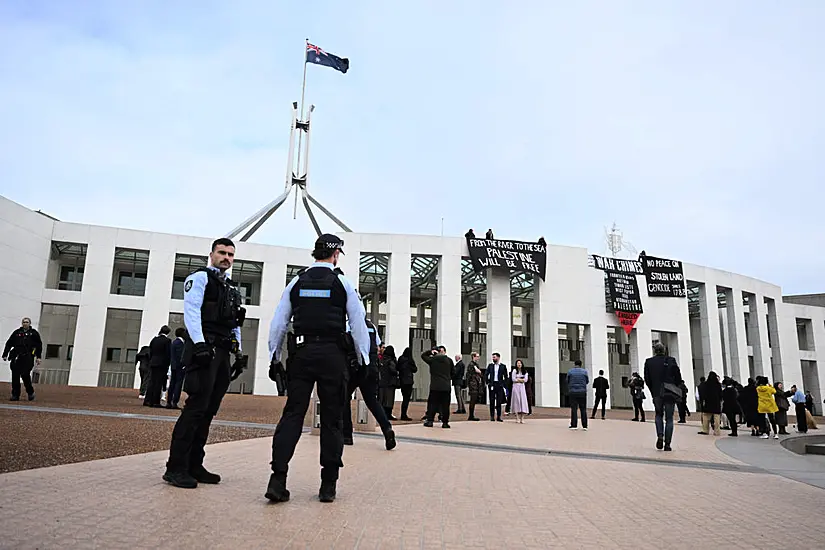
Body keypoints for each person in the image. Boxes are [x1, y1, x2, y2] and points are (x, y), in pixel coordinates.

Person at [266, 234, 369, 504]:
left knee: (292, 414)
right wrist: (364, 358)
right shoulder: (342, 283)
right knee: (333, 418)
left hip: (302, 355)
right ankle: (328, 485)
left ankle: (277, 479)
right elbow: (358, 324)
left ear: (315, 254)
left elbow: (278, 322)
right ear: (336, 255)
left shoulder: (296, 282)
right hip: (332, 356)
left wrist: (274, 356)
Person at [163, 237, 246, 489]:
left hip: (221, 352)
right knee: (195, 408)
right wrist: (199, 344)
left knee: (209, 410)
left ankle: (194, 464)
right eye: (222, 253)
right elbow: (192, 311)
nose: (227, 258)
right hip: (204, 349)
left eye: (231, 254)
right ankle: (175, 468)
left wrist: (238, 352)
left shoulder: (230, 287)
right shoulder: (199, 278)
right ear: (211, 254)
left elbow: (234, 322)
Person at [341, 316, 396, 449]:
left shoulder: (350, 324)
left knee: (344, 398)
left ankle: (347, 435)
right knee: (372, 400)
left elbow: (345, 344)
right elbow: (377, 345)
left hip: (354, 366)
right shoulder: (372, 326)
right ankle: (387, 428)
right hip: (371, 366)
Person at [643, 342, 683, 452]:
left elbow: (647, 379)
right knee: (669, 418)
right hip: (669, 392)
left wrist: (653, 390)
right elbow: (678, 377)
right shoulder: (671, 360)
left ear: (655, 350)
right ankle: (668, 444)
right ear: (664, 350)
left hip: (656, 393)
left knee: (658, 414)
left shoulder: (649, 362)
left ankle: (660, 435)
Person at [2, 317, 42, 401]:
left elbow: (39, 346)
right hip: (16, 357)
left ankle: (30, 392)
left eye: (27, 322)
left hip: (28, 358)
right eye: (23, 322)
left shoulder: (34, 334)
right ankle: (15, 395)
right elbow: (9, 344)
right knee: (15, 376)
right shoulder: (17, 333)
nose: (25, 323)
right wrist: (5, 354)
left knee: (25, 375)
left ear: (30, 323)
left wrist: (38, 357)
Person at [421, 346, 453, 428]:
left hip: (435, 386)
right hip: (446, 386)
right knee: (446, 405)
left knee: (433, 404)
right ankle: (445, 422)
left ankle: (430, 421)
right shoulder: (449, 360)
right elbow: (453, 372)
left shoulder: (433, 360)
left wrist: (430, 352)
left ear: (436, 352)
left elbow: (423, 356)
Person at [144, 325, 172, 408]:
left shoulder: (154, 339)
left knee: (151, 382)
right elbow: (168, 354)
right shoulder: (167, 341)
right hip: (162, 364)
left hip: (153, 362)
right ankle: (156, 401)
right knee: (158, 383)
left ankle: (148, 400)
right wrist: (167, 364)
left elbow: (150, 351)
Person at [166, 327, 186, 409]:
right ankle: (174, 401)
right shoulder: (179, 343)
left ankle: (169, 401)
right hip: (179, 367)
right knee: (178, 384)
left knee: (172, 384)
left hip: (174, 366)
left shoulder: (174, 342)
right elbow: (180, 356)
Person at [566, 360, 589, 430]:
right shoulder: (584, 372)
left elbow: (567, 380)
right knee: (583, 409)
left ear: (575, 364)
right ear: (581, 364)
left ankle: (574, 424)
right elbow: (587, 381)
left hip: (573, 392)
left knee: (574, 409)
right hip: (582, 392)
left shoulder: (570, 371)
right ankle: (584, 425)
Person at [396, 347, 417, 420]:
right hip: (409, 381)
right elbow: (415, 369)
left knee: (404, 397)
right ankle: (404, 414)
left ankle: (403, 414)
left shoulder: (401, 359)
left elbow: (397, 368)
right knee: (406, 399)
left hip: (402, 381)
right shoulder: (410, 360)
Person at [699, 371, 722, 436]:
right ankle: (717, 431)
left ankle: (705, 430)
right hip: (716, 403)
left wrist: (704, 400)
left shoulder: (706, 384)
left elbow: (704, 393)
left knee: (706, 416)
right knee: (716, 417)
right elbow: (720, 394)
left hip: (708, 402)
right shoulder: (718, 384)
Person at [485, 353, 507, 422]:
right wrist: (487, 382)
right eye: (493, 357)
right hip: (492, 384)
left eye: (494, 357)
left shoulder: (503, 366)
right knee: (491, 401)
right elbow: (486, 374)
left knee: (499, 401)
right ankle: (492, 416)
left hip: (499, 385)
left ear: (498, 357)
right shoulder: (490, 366)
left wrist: (503, 384)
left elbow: (506, 376)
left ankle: (498, 416)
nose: (493, 358)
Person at [465, 352, 484, 421]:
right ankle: (471, 416)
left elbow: (480, 373)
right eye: (477, 356)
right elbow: (471, 375)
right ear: (473, 357)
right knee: (472, 400)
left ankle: (471, 415)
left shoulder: (475, 364)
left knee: (474, 400)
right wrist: (468, 385)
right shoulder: (471, 365)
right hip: (473, 385)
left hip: (475, 384)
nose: (478, 358)